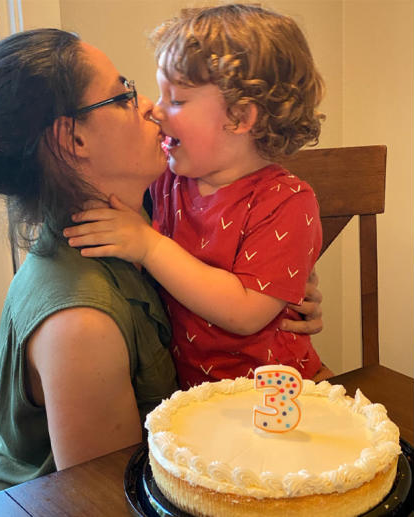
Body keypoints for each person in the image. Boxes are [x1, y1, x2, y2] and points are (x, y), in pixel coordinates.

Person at [0, 28, 322, 498]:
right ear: (73, 138)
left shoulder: (144, 214)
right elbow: (106, 497)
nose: (151, 108)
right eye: (123, 96)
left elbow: (237, 265)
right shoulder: (81, 324)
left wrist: (281, 292)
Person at [63, 4, 330, 388]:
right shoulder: (168, 180)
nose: (155, 108)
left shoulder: (287, 201)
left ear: (239, 117)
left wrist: (148, 246)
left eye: (176, 99)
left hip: (271, 396)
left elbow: (246, 312)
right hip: (191, 396)